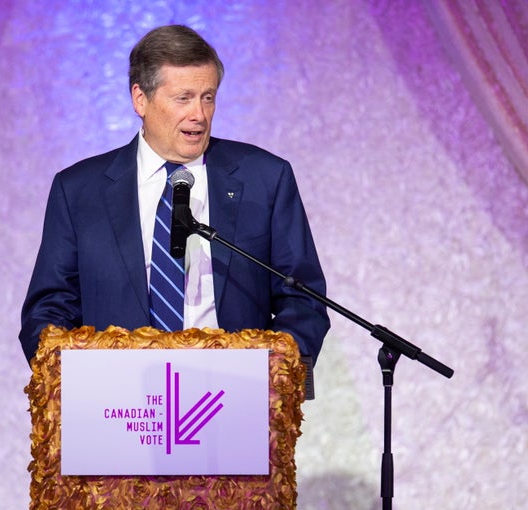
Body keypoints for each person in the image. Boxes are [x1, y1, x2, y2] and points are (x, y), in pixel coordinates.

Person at [19, 24, 330, 383]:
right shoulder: (78, 191)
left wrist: (278, 371)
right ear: (140, 99)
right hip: (118, 405)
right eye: (183, 98)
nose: (199, 114)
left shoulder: (265, 179)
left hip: (235, 396)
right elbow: (49, 308)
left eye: (208, 97)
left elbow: (303, 298)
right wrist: (70, 380)